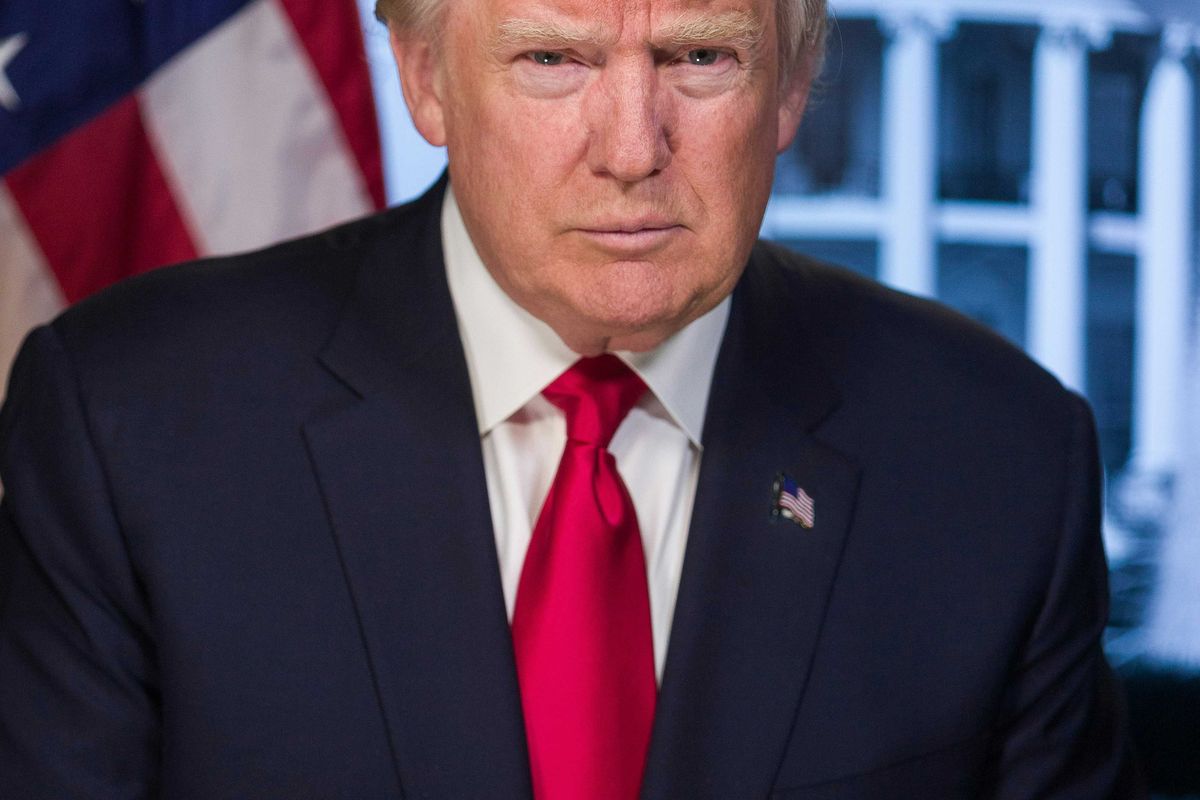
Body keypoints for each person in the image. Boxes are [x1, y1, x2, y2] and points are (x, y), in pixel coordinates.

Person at [0, 0, 1144, 796]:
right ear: (423, 77)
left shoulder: (1001, 459)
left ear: (794, 85)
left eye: (702, 56)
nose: (632, 148)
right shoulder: (127, 423)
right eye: (555, 59)